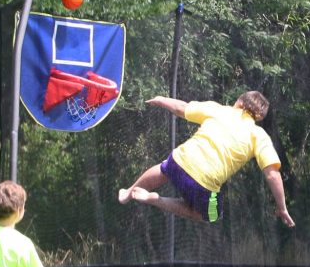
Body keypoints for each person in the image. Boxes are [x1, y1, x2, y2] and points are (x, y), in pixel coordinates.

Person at [118, 91, 295, 227]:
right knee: (210, 215)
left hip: (180, 161)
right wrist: (282, 208)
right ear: (259, 117)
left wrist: (161, 99)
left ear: (239, 102)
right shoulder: (259, 135)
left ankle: (128, 192)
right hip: (204, 184)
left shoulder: (218, 109)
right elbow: (272, 175)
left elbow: (181, 108)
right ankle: (155, 200)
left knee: (165, 168)